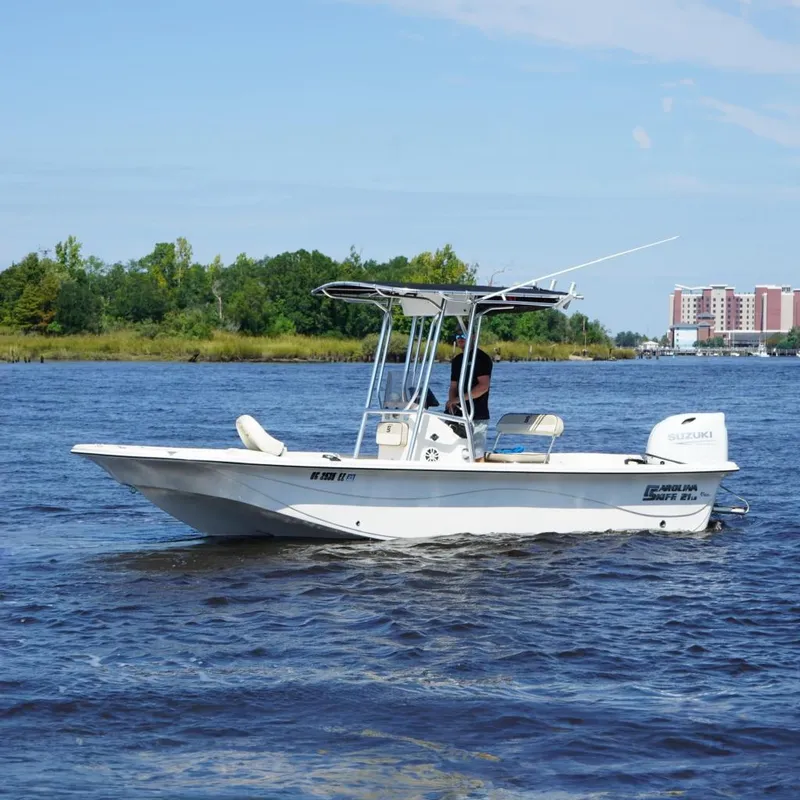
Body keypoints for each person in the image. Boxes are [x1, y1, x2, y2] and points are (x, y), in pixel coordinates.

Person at [446, 332, 493, 461]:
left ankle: (480, 478)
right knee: (453, 452)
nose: (460, 338)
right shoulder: (457, 360)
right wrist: (451, 402)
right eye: (457, 335)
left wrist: (457, 399)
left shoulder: (481, 358)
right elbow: (453, 386)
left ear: (473, 336)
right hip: (457, 414)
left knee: (477, 455)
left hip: (476, 414)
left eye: (463, 334)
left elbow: (483, 387)